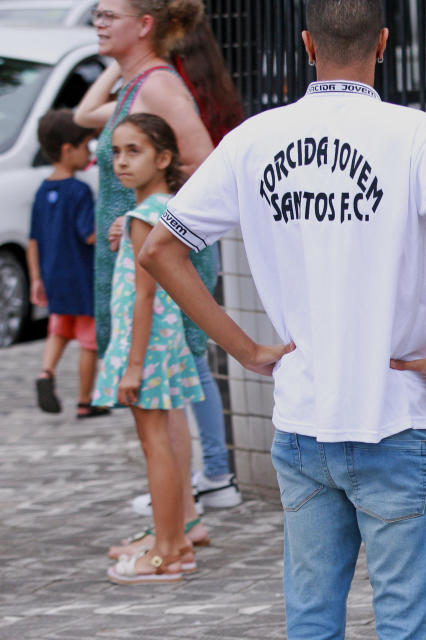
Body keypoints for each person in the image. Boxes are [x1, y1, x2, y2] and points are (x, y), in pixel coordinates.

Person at [139, 0, 426, 635]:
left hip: (301, 426)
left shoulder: (253, 138)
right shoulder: (414, 134)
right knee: (404, 626)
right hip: (390, 420)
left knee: (311, 621)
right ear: (383, 43)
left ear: (307, 45)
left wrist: (245, 349)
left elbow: (159, 248)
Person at [75, 0, 244, 528]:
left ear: (145, 25)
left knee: (162, 390)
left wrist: (153, 218)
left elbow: (204, 167)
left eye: (109, 16)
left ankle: (178, 526)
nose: (97, 23)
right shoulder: (136, 81)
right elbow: (84, 117)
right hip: (136, 263)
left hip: (159, 263)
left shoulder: (160, 86)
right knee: (157, 394)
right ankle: (179, 520)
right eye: (96, 16)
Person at [92, 113, 204, 584]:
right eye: (116, 152)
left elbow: (143, 295)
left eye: (133, 151)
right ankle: (176, 539)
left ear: (162, 159)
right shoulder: (162, 209)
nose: (121, 162)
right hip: (162, 345)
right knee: (163, 442)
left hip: (146, 350)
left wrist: (133, 366)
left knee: (154, 444)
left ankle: (164, 553)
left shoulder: (144, 217)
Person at [26, 109, 108, 419]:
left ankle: (46, 371)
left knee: (58, 330)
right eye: (86, 145)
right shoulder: (79, 190)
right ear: (67, 149)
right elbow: (88, 235)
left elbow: (33, 240)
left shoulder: (42, 190)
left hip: (53, 277)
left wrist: (36, 279)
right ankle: (86, 401)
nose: (89, 151)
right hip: (81, 277)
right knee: (88, 341)